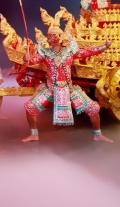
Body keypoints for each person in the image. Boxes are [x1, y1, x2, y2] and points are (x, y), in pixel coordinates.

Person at [22, 8, 113, 143]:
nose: (52, 38)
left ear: (60, 39)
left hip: (69, 89)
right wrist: (26, 58)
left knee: (94, 108)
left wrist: (104, 46)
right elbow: (32, 60)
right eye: (50, 36)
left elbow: (87, 52)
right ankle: (34, 134)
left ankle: (97, 134)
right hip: (50, 89)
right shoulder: (45, 53)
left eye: (54, 36)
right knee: (30, 107)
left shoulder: (69, 52)